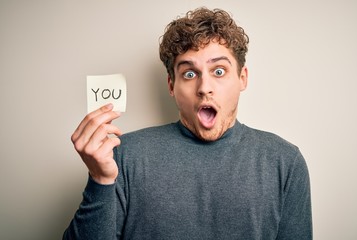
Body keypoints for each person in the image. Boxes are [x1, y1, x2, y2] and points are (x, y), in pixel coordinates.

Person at [63, 7, 312, 240]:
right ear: (172, 86)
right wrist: (100, 180)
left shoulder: (285, 162)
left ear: (242, 78)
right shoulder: (123, 155)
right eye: (189, 74)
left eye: (219, 71)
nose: (204, 88)